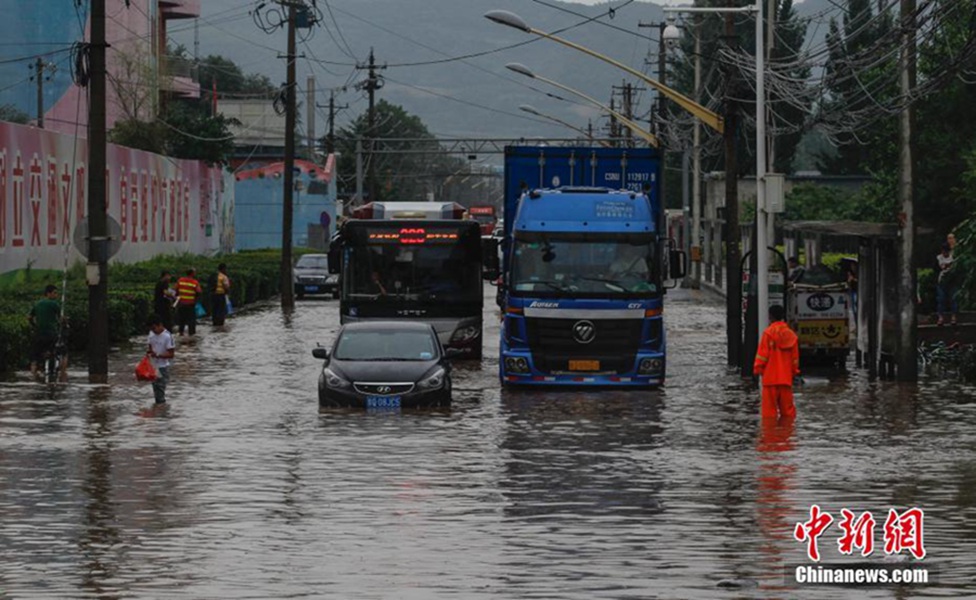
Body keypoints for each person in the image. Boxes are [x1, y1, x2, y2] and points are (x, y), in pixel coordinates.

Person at [753, 305, 800, 420]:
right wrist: (792, 373)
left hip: (770, 380)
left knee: (769, 415)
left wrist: (757, 370)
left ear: (770, 316)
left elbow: (762, 356)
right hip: (785, 380)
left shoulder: (768, 334)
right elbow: (795, 360)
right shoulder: (792, 336)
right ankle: (787, 435)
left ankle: (771, 436)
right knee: (788, 413)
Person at [28, 284, 67, 381]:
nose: (56, 295)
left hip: (39, 333)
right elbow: (61, 319)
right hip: (51, 334)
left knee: (35, 357)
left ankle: (34, 376)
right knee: (59, 353)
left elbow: (29, 317)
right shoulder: (54, 304)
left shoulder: (37, 304)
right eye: (54, 293)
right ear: (48, 293)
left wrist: (34, 326)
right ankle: (59, 375)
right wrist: (65, 322)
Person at [146, 315, 175, 404]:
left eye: (154, 328)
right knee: (155, 389)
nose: (153, 331)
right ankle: (159, 411)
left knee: (160, 389)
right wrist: (149, 354)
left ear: (160, 325)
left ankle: (161, 411)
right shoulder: (151, 334)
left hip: (163, 367)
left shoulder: (167, 336)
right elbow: (150, 348)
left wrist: (158, 355)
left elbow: (171, 354)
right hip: (153, 366)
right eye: (151, 329)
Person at [176, 268, 203, 336]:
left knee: (181, 321)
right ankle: (191, 336)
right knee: (191, 322)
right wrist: (196, 300)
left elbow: (175, 290)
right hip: (190, 304)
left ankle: (181, 333)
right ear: (192, 273)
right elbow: (199, 291)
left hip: (181, 304)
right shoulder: (195, 282)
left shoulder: (180, 280)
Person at [936, 242, 958, 326]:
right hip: (941, 281)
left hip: (952, 281)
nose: (945, 253)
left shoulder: (953, 258)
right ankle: (940, 317)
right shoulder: (938, 258)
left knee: (953, 299)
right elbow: (938, 268)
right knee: (941, 299)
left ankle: (954, 317)